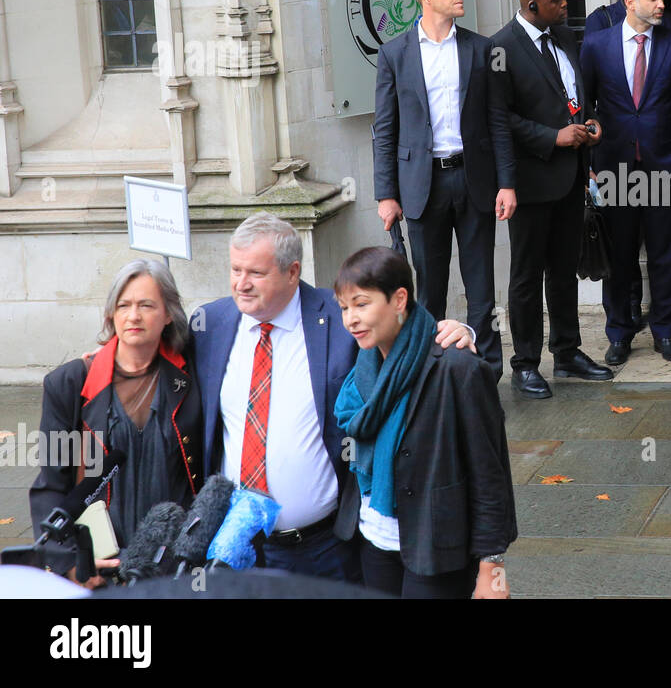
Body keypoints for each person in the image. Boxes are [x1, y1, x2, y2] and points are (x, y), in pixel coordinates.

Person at [192, 211, 476, 579]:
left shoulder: (341, 315)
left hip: (324, 546)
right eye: (235, 270)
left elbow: (405, 333)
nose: (241, 284)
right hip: (236, 545)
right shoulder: (207, 324)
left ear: (293, 272)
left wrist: (457, 332)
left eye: (256, 273)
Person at [332, 247, 516, 598]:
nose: (350, 319)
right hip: (372, 539)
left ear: (399, 299)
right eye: (344, 308)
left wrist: (492, 565)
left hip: (436, 547)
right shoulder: (361, 366)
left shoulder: (458, 368)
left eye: (361, 304)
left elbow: (490, 474)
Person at [372, 0, 514, 383]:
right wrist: (386, 195)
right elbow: (385, 128)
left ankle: (486, 373)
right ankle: (430, 374)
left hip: (475, 181)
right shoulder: (394, 53)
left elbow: (497, 121)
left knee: (481, 288)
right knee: (428, 288)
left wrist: (507, 183)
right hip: (422, 184)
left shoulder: (482, 48)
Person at [30, 259, 201, 587]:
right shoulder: (68, 385)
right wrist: (69, 562)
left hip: (175, 565)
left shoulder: (193, 377)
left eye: (146, 305)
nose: (133, 315)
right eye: (123, 305)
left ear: (168, 314)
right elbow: (50, 485)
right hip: (102, 564)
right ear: (111, 314)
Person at [489, 0, 613, 399]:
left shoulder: (563, 36)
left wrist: (588, 123)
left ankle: (567, 352)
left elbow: (573, 96)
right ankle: (524, 363)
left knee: (563, 271)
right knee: (526, 277)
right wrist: (552, 137)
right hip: (529, 181)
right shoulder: (500, 48)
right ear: (532, 5)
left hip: (571, 176)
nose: (566, 5)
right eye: (558, 0)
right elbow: (501, 118)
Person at [582, 0, 671, 364]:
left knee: (666, 254)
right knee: (620, 257)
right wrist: (591, 164)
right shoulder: (596, 45)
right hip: (614, 168)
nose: (662, 4)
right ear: (630, 1)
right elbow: (586, 108)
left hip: (666, 168)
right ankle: (620, 334)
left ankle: (666, 333)